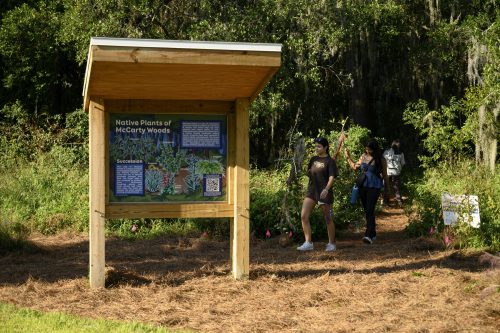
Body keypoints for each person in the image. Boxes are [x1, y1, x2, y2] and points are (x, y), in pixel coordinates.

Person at [297, 137, 339, 252]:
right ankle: (308, 242)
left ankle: (331, 243)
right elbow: (310, 173)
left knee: (328, 218)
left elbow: (331, 178)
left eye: (319, 146)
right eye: (316, 146)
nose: (316, 148)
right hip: (312, 192)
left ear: (325, 147)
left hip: (324, 193)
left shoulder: (330, 161)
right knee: (304, 216)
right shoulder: (313, 159)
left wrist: (326, 189)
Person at [344, 139, 384, 245]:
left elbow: (385, 175)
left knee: (370, 209)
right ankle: (373, 233)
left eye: (369, 148)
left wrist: (387, 189)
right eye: (366, 148)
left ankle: (368, 235)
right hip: (363, 186)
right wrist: (347, 156)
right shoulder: (363, 156)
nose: (367, 150)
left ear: (374, 149)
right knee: (367, 210)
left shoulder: (380, 159)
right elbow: (354, 167)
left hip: (374, 187)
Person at [383, 139, 405, 206]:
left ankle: (386, 201)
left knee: (387, 186)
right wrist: (399, 168)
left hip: (388, 172)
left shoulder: (386, 152)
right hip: (396, 172)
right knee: (396, 186)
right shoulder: (401, 153)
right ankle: (399, 201)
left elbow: (383, 161)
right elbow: (403, 163)